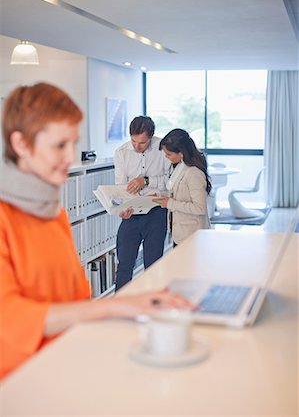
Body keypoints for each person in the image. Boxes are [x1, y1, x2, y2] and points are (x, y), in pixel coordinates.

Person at [0, 84, 192, 380]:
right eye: (59, 145)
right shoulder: (7, 218)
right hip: (20, 380)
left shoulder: (54, 214)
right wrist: (113, 308)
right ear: (21, 144)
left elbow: (74, 299)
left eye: (73, 144)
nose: (70, 157)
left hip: (65, 364)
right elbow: (10, 319)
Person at [114, 116, 170, 290]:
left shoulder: (164, 149)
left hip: (156, 212)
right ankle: (118, 307)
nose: (137, 147)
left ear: (151, 137)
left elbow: (171, 181)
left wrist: (146, 180)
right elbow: (121, 186)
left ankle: (152, 306)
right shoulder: (122, 152)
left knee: (153, 265)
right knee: (124, 264)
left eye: (142, 143)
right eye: (133, 141)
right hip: (131, 213)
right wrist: (121, 208)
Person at [153, 128, 211, 245]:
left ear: (181, 153)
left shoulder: (194, 173)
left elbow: (200, 208)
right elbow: (180, 194)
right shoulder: (179, 167)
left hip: (193, 237)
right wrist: (160, 197)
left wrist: (170, 203)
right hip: (180, 235)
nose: (166, 157)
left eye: (169, 154)